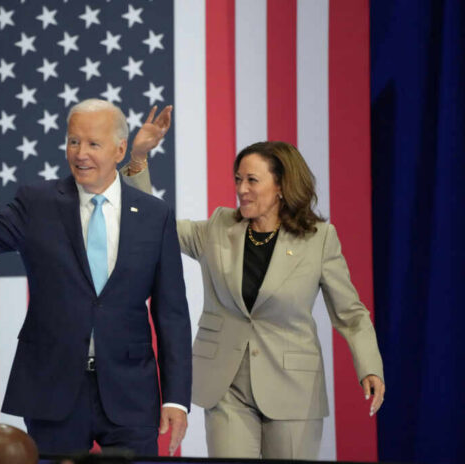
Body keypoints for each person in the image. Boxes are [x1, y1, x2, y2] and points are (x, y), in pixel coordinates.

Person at [0, 99, 192, 456]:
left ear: (119, 149)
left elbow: (172, 314)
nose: (80, 153)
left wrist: (176, 399)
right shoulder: (36, 203)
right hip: (53, 389)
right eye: (73, 141)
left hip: (131, 393)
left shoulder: (153, 214)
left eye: (93, 144)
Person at [122, 107, 385, 460]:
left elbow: (350, 314)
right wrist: (138, 159)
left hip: (293, 389)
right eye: (237, 179)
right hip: (225, 386)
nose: (241, 189)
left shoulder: (319, 239)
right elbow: (154, 225)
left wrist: (369, 367)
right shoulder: (218, 227)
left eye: (252, 180)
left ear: (281, 186)